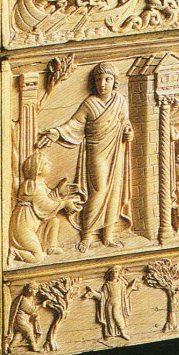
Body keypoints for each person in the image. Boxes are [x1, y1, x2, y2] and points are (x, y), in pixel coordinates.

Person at [37, 63, 134, 252]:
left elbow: (125, 123)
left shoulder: (120, 101)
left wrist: (128, 132)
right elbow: (74, 124)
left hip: (116, 150)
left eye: (107, 79)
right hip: (97, 151)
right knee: (99, 190)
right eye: (98, 80)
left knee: (114, 190)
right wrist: (57, 132)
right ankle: (87, 235)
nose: (102, 84)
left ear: (114, 81)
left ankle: (108, 235)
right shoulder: (90, 103)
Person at [8, 151, 83, 265]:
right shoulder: (32, 185)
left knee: (54, 221)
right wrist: (64, 204)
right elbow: (45, 205)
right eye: (46, 163)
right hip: (22, 228)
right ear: (38, 170)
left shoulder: (40, 184)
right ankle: (14, 252)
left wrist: (59, 192)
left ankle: (50, 247)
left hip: (35, 225)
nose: (50, 164)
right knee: (38, 257)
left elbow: (49, 198)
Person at [84, 266, 138, 340]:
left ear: (118, 274)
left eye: (116, 272)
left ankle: (123, 332)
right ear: (109, 274)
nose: (114, 274)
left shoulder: (121, 284)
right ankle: (111, 334)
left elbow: (124, 295)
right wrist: (95, 294)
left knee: (117, 316)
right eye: (112, 273)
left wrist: (131, 287)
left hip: (117, 304)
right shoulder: (107, 285)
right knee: (109, 318)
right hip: (109, 304)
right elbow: (104, 297)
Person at [6, 282, 44, 354]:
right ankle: (34, 347)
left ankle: (10, 346)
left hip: (24, 319)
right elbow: (31, 310)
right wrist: (41, 305)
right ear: (30, 290)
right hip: (19, 319)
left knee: (19, 333)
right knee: (29, 331)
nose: (36, 291)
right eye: (35, 289)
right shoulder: (23, 299)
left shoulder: (30, 298)